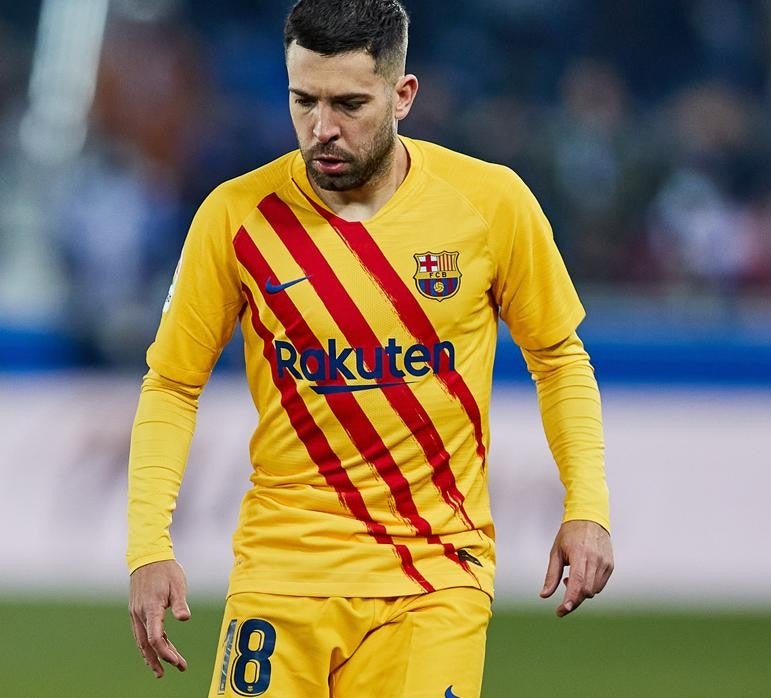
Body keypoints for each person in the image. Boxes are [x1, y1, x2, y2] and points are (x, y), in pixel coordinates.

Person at [125, 1, 613, 695]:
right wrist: (148, 547)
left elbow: (560, 358)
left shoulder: (491, 204)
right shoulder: (236, 217)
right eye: (304, 100)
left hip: (435, 574)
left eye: (349, 103)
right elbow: (172, 383)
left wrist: (587, 507)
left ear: (402, 95)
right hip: (281, 574)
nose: (322, 129)